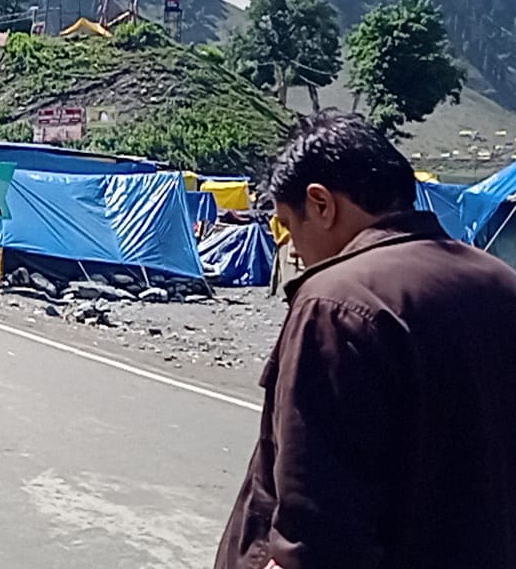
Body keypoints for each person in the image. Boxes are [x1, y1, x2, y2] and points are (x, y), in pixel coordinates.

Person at [215, 112, 516, 569]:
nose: (292, 248)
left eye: (288, 226)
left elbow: (319, 520)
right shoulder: (500, 280)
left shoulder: (334, 301)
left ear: (321, 204)